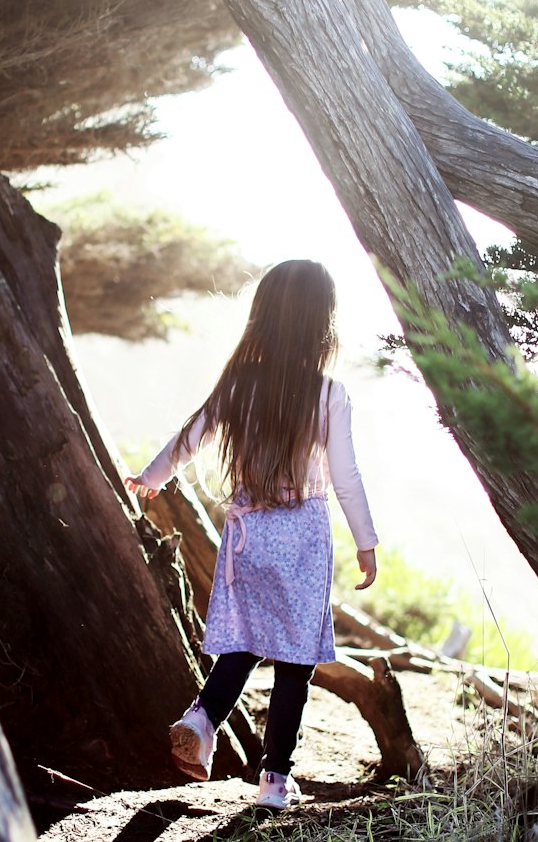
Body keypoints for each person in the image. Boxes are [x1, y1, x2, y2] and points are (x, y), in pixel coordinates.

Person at [125, 258, 379, 811]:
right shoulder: (328, 394)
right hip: (305, 538)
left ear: (262, 317)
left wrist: (151, 477)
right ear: (322, 325)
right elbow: (346, 477)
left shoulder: (241, 383)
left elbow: (190, 436)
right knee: (295, 663)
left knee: (242, 644)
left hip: (249, 533)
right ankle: (274, 781)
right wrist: (366, 541)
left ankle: (202, 716)